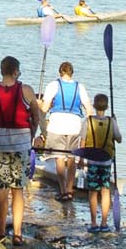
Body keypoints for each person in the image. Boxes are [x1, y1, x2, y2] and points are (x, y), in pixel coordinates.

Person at [0, 55, 43, 241]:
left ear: (2, 70)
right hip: (20, 146)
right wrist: (32, 136)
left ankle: (1, 232)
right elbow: (36, 116)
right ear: (16, 71)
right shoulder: (27, 90)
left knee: (2, 189)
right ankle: (17, 234)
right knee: (18, 190)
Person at [43, 60, 87, 210]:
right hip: (74, 125)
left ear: (60, 73)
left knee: (59, 157)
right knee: (72, 158)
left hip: (57, 124)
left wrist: (39, 105)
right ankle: (70, 190)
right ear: (72, 73)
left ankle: (63, 191)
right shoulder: (80, 87)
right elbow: (89, 108)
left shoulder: (53, 85)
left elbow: (44, 108)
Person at [79, 93, 117, 232]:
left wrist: (81, 159)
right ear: (107, 107)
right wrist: (115, 123)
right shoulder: (111, 122)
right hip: (106, 161)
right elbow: (119, 138)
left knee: (93, 191)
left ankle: (94, 223)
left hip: (92, 160)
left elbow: (83, 141)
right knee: (105, 191)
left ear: (94, 106)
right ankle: (104, 223)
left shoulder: (87, 121)